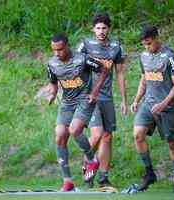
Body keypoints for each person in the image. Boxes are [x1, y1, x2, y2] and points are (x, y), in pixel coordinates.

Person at [47, 33, 112, 191]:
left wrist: (95, 91)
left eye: (60, 49)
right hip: (67, 103)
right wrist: (52, 94)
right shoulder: (51, 63)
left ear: (67, 46)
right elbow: (54, 83)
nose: (57, 53)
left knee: (75, 130)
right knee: (60, 135)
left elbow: (104, 69)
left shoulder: (82, 59)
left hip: (84, 99)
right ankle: (67, 181)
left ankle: (91, 159)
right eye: (54, 50)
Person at [130, 25, 174, 192]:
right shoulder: (144, 56)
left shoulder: (169, 56)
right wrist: (136, 100)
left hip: (166, 107)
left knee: (171, 143)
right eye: (144, 44)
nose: (147, 47)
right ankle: (150, 174)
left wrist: (164, 103)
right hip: (148, 104)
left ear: (156, 37)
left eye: (149, 43)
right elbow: (144, 80)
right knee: (138, 135)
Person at [76, 12, 127, 187]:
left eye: (104, 28)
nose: (101, 31)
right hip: (89, 97)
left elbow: (120, 74)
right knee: (96, 134)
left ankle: (103, 177)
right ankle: (88, 166)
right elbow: (75, 67)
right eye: (98, 28)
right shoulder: (85, 44)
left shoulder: (116, 47)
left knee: (107, 137)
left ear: (109, 29)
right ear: (93, 29)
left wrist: (123, 100)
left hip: (107, 98)